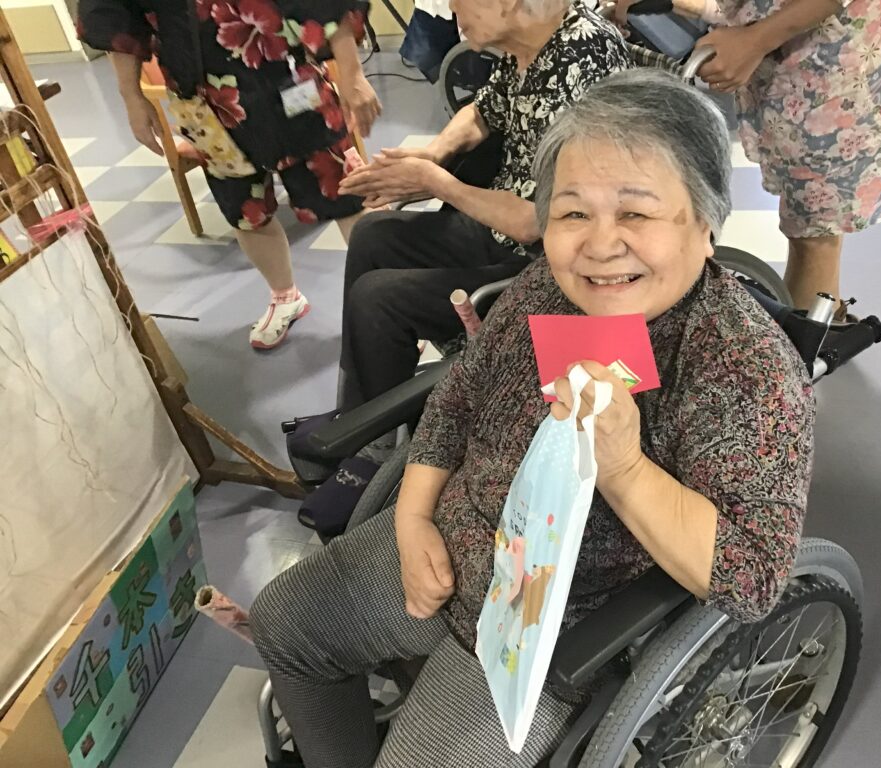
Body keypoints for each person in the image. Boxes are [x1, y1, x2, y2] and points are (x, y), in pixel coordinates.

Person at [250, 69, 815, 768]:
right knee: (284, 622)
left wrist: (625, 469)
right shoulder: (545, 288)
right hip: (449, 542)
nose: (600, 246)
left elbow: (752, 577)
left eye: (636, 214)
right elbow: (455, 399)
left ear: (704, 226)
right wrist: (412, 521)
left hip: (553, 622)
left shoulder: (743, 368)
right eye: (573, 213)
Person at [334, 0, 632, 412]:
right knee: (372, 234)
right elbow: (482, 111)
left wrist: (435, 182)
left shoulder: (581, 59)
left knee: (378, 301)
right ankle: (357, 411)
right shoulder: (532, 42)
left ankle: (370, 432)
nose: (451, 6)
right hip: (504, 230)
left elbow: (533, 221)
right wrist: (434, 154)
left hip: (552, 267)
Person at [77, 0, 382, 349]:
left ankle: (388, 298)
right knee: (245, 209)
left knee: (348, 192)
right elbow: (114, 15)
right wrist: (131, 95)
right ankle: (286, 297)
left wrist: (352, 73)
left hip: (289, 74)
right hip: (203, 98)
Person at [618, 0, 881, 312]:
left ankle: (815, 334)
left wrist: (755, 40)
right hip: (810, 56)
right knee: (812, 225)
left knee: (815, 230)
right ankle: (822, 319)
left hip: (838, 64)